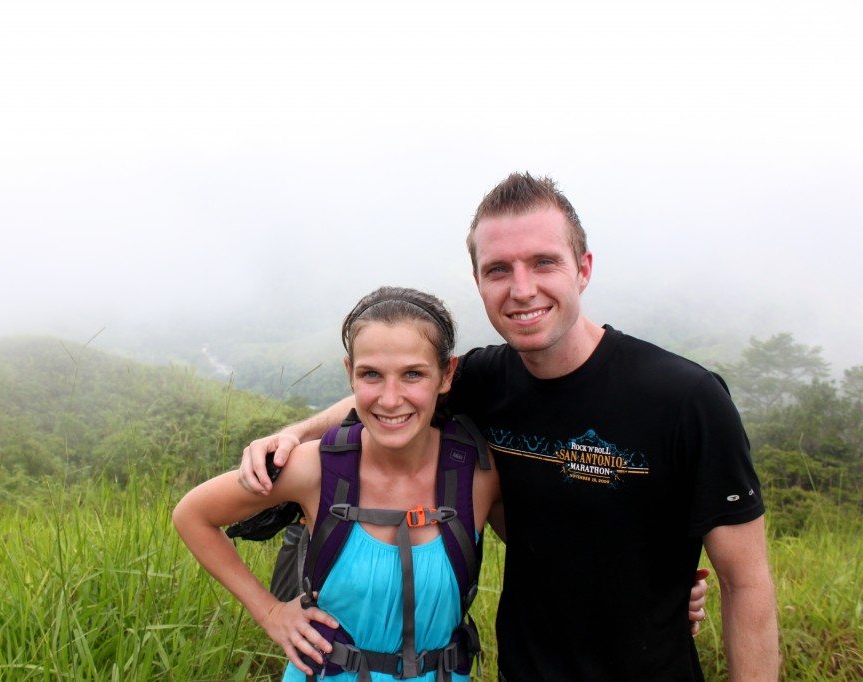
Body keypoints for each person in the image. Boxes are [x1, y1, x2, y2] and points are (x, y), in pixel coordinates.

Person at [239, 173, 779, 680]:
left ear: (584, 268)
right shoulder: (482, 381)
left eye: (543, 262)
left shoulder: (685, 399)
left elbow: (746, 583)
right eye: (499, 269)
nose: (522, 290)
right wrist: (296, 434)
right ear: (478, 281)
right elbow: (392, 397)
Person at [173, 287, 503, 681]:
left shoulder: (478, 474)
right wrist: (271, 612)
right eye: (371, 375)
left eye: (413, 374)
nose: (390, 398)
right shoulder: (317, 468)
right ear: (350, 372)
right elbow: (192, 514)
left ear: (446, 374)